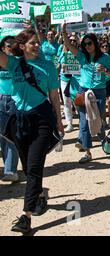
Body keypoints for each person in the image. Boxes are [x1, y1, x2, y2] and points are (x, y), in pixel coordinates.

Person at [0, 29, 64, 234]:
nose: (37, 46)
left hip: (42, 120)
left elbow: (54, 96)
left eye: (38, 43)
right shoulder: (13, 64)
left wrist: (59, 122)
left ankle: (26, 217)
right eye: (32, 43)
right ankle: (39, 197)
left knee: (35, 166)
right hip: (19, 121)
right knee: (28, 168)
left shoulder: (48, 67)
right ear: (22, 46)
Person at [61, 24, 110, 163]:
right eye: (85, 44)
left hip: (99, 93)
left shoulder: (105, 58)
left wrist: (105, 70)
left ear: (95, 44)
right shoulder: (80, 57)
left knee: (98, 121)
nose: (87, 46)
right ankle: (87, 152)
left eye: (90, 43)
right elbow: (67, 44)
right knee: (84, 123)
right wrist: (63, 30)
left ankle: (106, 142)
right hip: (83, 92)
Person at [0, 36, 19, 182]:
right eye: (8, 46)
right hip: (0, 99)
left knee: (12, 135)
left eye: (14, 46)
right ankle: (8, 166)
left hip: (15, 100)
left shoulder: (19, 62)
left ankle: (10, 170)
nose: (11, 49)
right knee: (2, 136)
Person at [58, 33, 80, 133]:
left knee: (78, 102)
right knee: (66, 102)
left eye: (74, 40)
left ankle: (82, 121)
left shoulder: (80, 53)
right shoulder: (62, 51)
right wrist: (61, 66)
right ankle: (69, 123)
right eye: (70, 40)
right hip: (64, 79)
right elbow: (57, 63)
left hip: (77, 80)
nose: (72, 42)